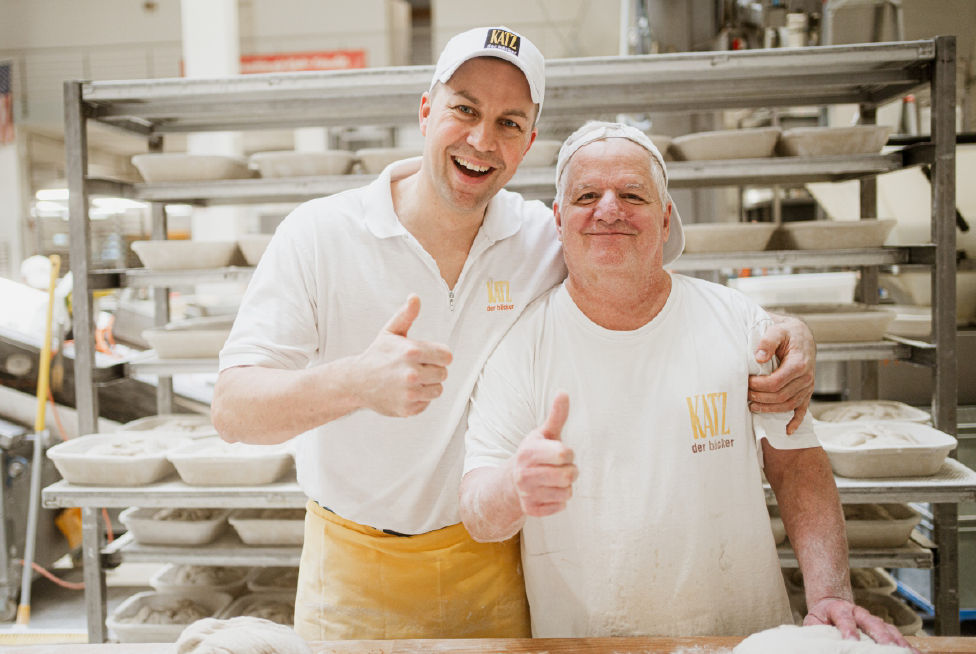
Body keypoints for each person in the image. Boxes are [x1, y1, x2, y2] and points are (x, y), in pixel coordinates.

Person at [212, 27, 816, 641]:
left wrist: (781, 331)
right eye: (464, 110)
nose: (481, 140)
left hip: (492, 564)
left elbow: (639, 267)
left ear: (527, 142)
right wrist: (353, 382)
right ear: (426, 111)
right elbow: (233, 411)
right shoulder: (319, 235)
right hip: (352, 571)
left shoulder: (540, 235)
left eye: (508, 122)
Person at [458, 121, 913, 650]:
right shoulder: (522, 350)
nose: (609, 209)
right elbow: (477, 512)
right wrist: (515, 485)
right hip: (591, 645)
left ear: (666, 215)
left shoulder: (739, 325)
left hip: (741, 638)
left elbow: (797, 467)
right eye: (587, 196)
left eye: (632, 194)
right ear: (559, 220)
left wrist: (829, 594)